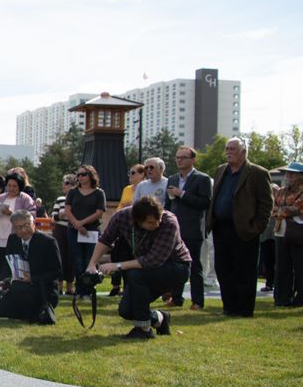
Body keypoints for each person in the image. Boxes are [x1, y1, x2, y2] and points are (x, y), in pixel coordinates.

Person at [87, 196, 191, 339]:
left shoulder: (169, 223)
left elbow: (153, 260)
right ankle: (160, 318)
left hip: (176, 267)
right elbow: (106, 239)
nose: (157, 224)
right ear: (137, 220)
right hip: (146, 270)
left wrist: (117, 265)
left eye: (158, 219)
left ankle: (143, 329)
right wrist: (92, 264)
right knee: (126, 310)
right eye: (151, 222)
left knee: (135, 274)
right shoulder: (121, 217)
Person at [206, 138, 273, 317]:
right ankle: (229, 307)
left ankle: (243, 310)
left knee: (244, 270)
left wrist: (257, 227)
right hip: (221, 227)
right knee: (223, 268)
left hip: (244, 229)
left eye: (233, 149)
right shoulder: (222, 170)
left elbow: (266, 203)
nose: (228, 152)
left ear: (244, 151)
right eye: (227, 148)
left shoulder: (258, 173)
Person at [0, 209, 61, 323]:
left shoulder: (48, 242)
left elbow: (57, 272)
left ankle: (34, 311)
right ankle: (30, 312)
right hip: (18, 287)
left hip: (42, 289)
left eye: (27, 225)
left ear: (33, 223)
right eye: (19, 227)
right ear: (14, 228)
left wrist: (32, 278)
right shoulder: (13, 240)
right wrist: (5, 281)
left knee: (18, 287)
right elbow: (8, 265)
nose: (24, 230)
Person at [164, 147, 212, 310]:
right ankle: (177, 298)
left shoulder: (202, 179)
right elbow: (168, 204)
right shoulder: (172, 178)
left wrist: (182, 193)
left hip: (192, 228)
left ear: (192, 160)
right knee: (176, 264)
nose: (179, 160)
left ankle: (197, 301)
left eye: (183, 158)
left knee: (194, 265)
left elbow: (205, 203)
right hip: (175, 229)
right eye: (177, 158)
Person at [63, 164, 106, 294]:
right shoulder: (73, 192)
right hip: (74, 230)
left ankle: (89, 287)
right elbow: (68, 210)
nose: (80, 177)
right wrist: (77, 224)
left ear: (91, 176)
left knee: (89, 259)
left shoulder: (99, 193)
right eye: (78, 175)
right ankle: (80, 288)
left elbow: (99, 212)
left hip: (91, 231)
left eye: (83, 174)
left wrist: (82, 223)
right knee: (77, 260)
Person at [109, 163, 146, 295]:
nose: (130, 175)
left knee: (131, 256)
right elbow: (120, 206)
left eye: (133, 173)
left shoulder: (145, 188)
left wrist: (130, 205)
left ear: (143, 174)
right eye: (129, 173)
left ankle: (128, 287)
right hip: (123, 226)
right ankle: (115, 285)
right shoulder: (127, 189)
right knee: (117, 254)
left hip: (137, 228)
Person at [271, 162, 303, 307]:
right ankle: (282, 297)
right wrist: (284, 210)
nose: (288, 176)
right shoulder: (281, 191)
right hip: (280, 231)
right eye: (287, 173)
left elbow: (297, 208)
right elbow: (272, 208)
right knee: (282, 266)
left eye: (292, 173)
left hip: (298, 233)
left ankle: (299, 298)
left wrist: (282, 210)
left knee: (299, 266)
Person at [50, 173, 77, 296]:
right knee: (59, 256)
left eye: (67, 183)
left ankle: (70, 286)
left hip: (73, 228)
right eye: (63, 182)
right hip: (60, 229)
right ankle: (59, 285)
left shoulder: (78, 199)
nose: (64, 185)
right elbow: (52, 218)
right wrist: (61, 215)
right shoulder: (60, 199)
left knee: (71, 258)